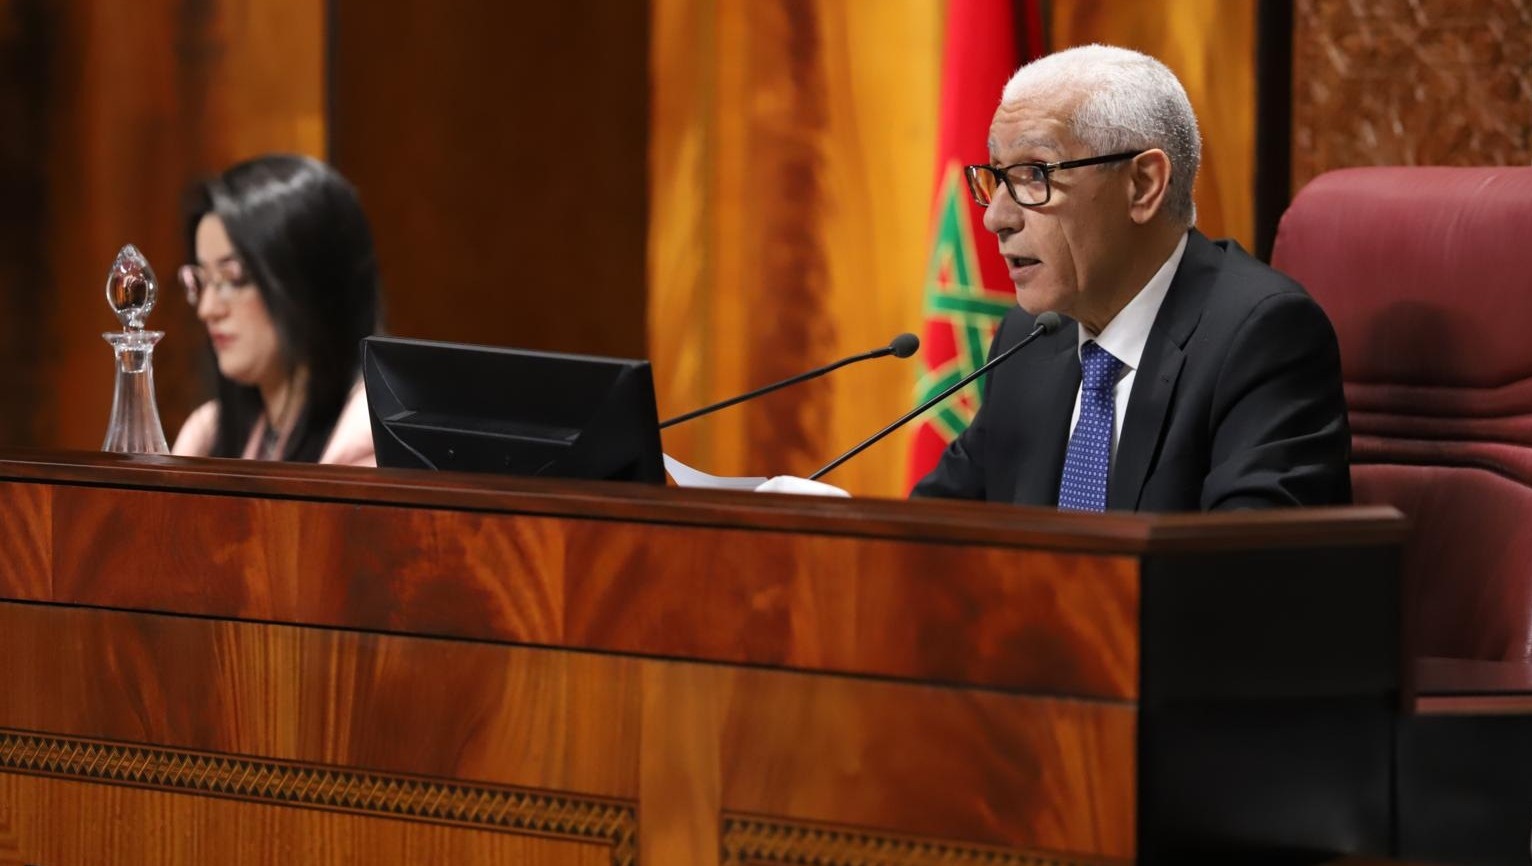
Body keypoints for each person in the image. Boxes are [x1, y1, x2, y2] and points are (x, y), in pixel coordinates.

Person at [913, 45, 1350, 511]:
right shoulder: (1028, 340)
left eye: (1034, 175)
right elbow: (933, 530)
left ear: (1142, 185)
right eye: (997, 177)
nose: (996, 217)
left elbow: (1247, 551)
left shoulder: (1261, 337)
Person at [171, 154, 381, 466]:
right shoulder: (208, 434)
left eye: (233, 278)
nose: (207, 309)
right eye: (201, 280)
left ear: (308, 283)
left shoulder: (365, 439)